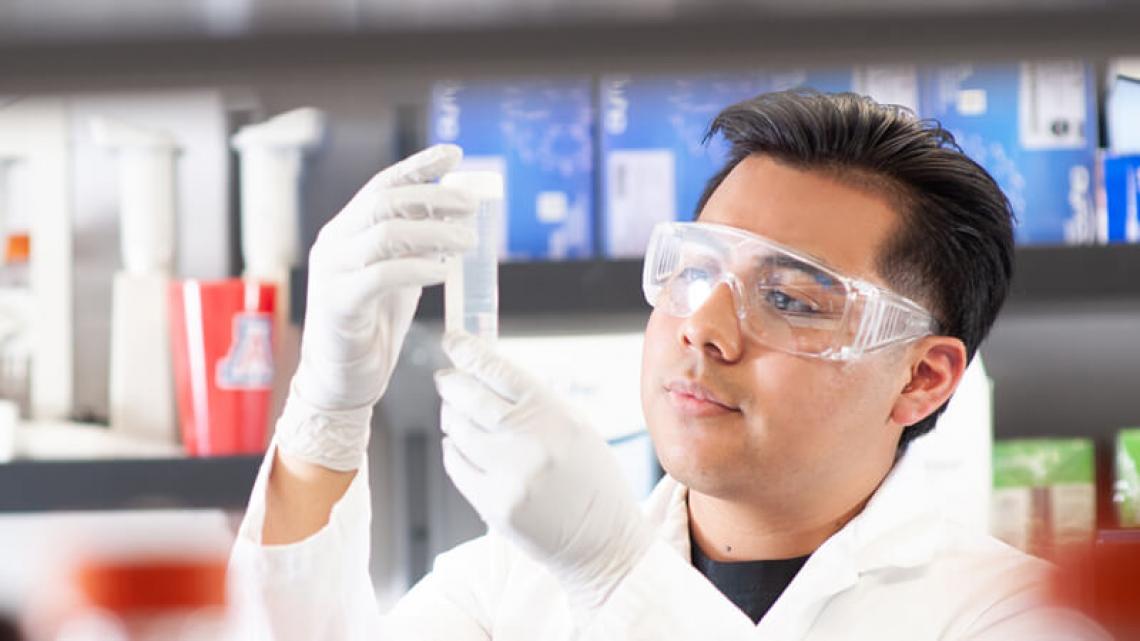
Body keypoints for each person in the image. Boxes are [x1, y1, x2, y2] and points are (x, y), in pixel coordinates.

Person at [228, 91, 1106, 640]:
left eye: (792, 299)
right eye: (694, 271)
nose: (704, 327)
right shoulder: (505, 592)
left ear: (924, 376)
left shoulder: (1027, 615)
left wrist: (613, 574)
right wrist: (327, 415)